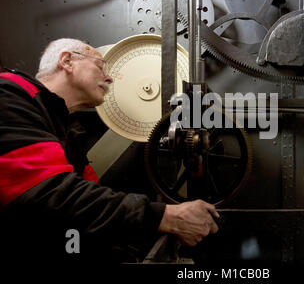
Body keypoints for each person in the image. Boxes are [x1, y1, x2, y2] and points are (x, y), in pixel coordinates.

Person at [0, 38, 219, 263]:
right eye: (100, 66)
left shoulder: (67, 133)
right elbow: (48, 194)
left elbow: (87, 216)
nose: (109, 77)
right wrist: (164, 216)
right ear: (67, 61)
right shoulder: (8, 95)